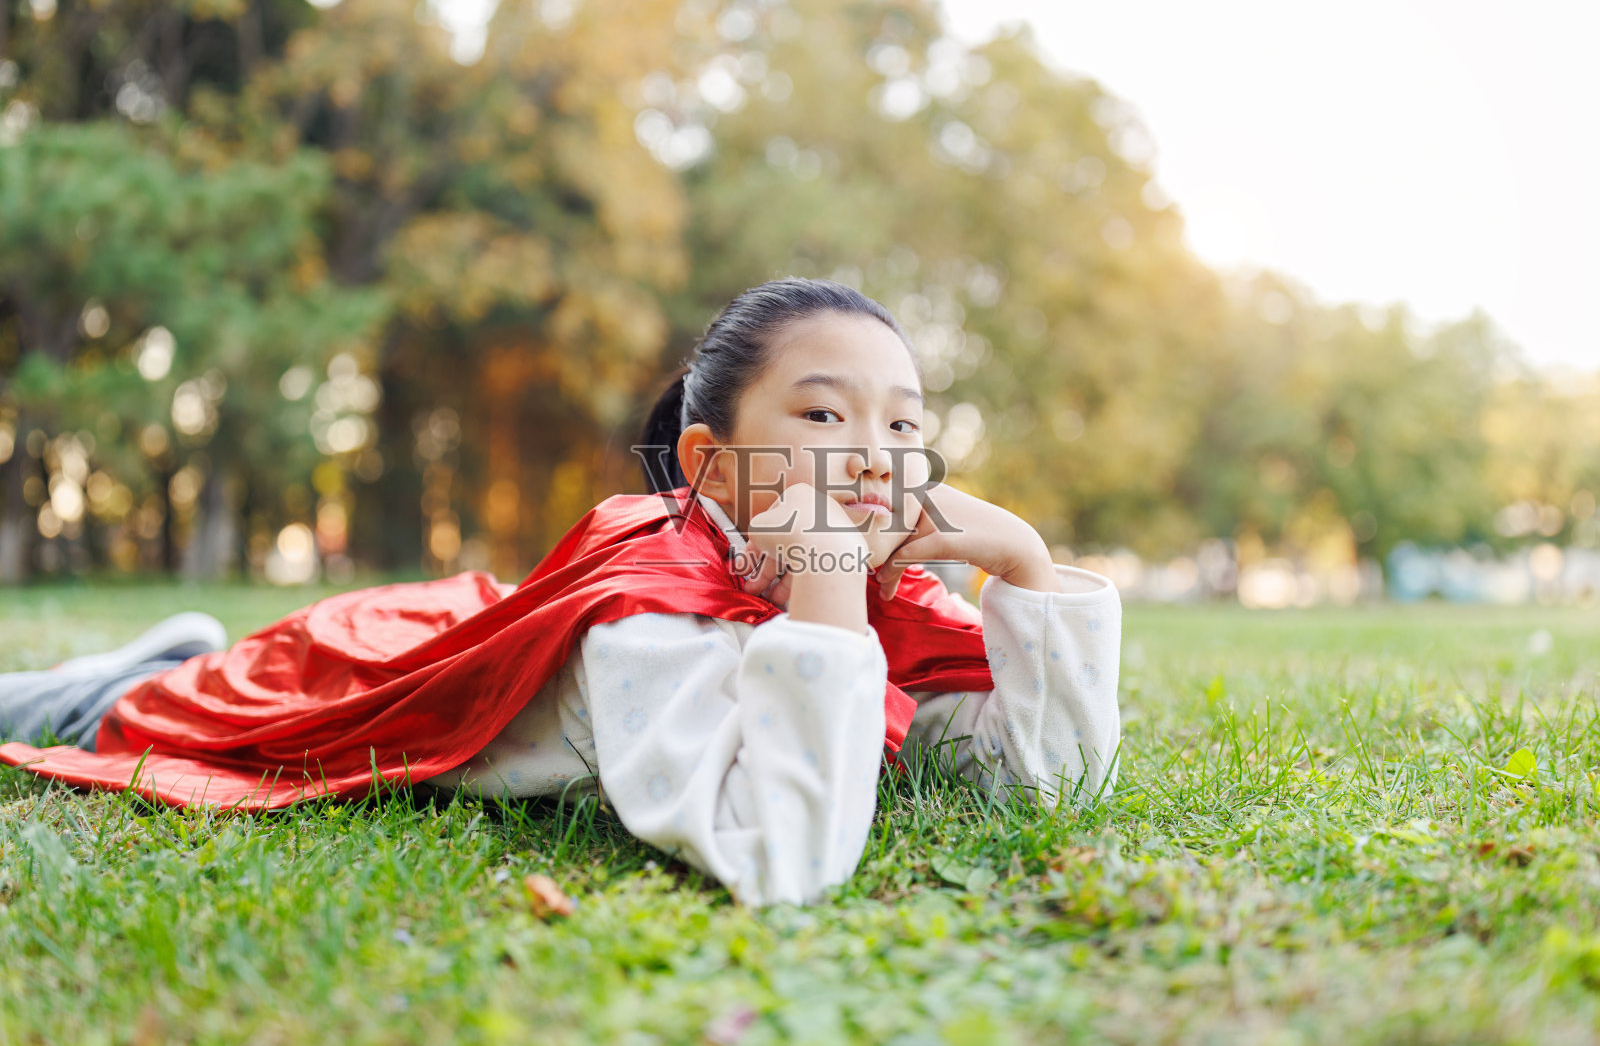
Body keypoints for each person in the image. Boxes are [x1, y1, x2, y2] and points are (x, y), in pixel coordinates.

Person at [0, 277, 1122, 907]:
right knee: (156, 714)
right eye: (824, 415)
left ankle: (164, 652)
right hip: (377, 665)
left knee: (182, 673)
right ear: (710, 466)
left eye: (903, 420)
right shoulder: (655, 616)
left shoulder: (883, 595)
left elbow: (1053, 787)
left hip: (475, 611)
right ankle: (123, 677)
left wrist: (1023, 565)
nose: (874, 454)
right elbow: (785, 857)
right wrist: (827, 587)